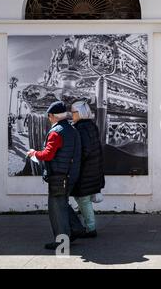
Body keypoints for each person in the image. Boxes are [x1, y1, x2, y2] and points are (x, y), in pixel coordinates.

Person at [27, 101, 85, 250]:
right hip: (71, 175)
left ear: (53, 116)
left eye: (49, 116)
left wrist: (33, 153)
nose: (48, 118)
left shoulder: (56, 132)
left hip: (58, 177)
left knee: (56, 209)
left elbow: (47, 154)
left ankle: (61, 242)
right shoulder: (72, 130)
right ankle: (77, 228)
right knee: (62, 203)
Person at [70, 101, 105, 238]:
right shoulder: (90, 125)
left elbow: (85, 150)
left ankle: (90, 228)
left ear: (80, 113)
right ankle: (86, 224)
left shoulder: (81, 128)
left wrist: (74, 162)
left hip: (85, 170)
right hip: (93, 168)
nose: (72, 115)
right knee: (84, 198)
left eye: (73, 112)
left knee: (83, 199)